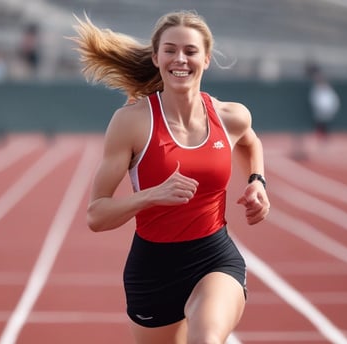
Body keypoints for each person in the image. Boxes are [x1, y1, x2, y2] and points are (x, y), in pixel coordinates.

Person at [70, 11, 270, 344]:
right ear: (156, 57)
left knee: (205, 339)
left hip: (214, 256)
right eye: (171, 50)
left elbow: (250, 141)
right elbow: (96, 215)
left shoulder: (230, 116)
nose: (181, 59)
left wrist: (257, 181)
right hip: (153, 271)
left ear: (206, 59)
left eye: (190, 51)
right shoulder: (131, 123)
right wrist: (150, 195)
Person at [307, 64, 340, 142]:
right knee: (320, 123)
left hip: (327, 109)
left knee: (324, 124)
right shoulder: (316, 89)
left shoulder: (327, 89)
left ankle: (324, 136)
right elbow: (314, 99)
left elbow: (333, 99)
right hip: (320, 110)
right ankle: (320, 136)